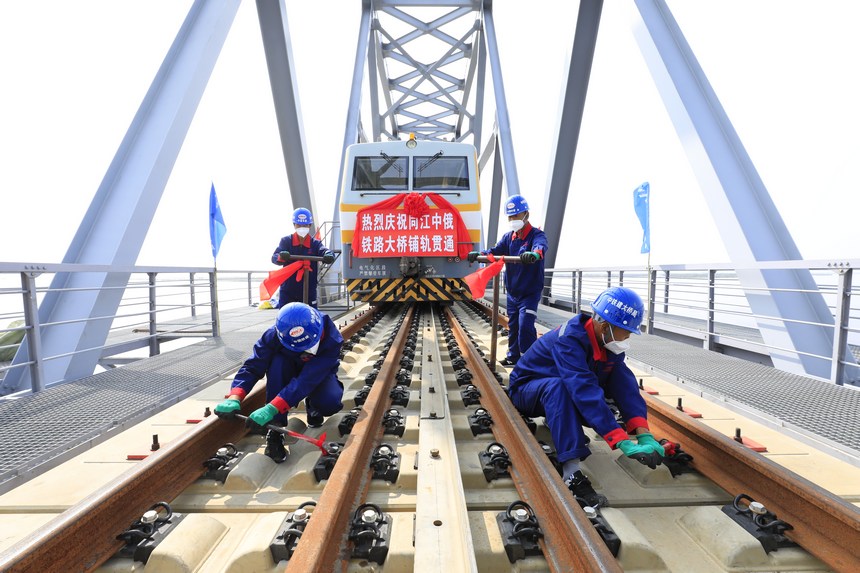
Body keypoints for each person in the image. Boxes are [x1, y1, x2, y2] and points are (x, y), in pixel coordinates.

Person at [506, 286, 664, 507]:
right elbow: (582, 389)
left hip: (554, 390)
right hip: (526, 390)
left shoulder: (608, 343)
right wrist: (619, 439)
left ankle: (563, 425)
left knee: (610, 390)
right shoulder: (569, 340)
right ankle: (571, 472)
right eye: (625, 330)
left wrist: (642, 432)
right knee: (561, 388)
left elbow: (625, 386)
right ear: (605, 326)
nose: (628, 336)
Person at [213, 302, 344, 463]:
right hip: (287, 368)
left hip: (316, 375)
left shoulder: (332, 339)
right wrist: (235, 396)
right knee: (277, 364)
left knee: (329, 402)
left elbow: (305, 381)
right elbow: (253, 366)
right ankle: (276, 429)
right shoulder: (273, 335)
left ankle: (314, 407)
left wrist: (270, 408)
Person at [467, 194, 548, 366]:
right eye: (510, 216)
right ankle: (513, 357)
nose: (512, 219)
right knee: (513, 326)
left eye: (516, 215)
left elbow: (540, 247)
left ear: (526, 215)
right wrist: (480, 254)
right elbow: (494, 251)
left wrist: (534, 254)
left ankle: (529, 361)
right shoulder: (508, 238)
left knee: (525, 325)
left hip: (529, 293)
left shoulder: (536, 235)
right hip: (513, 292)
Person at [271, 208, 335, 309]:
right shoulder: (286, 241)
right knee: (286, 318)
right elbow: (274, 258)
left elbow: (323, 250)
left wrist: (328, 254)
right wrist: (281, 256)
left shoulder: (315, 244)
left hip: (309, 290)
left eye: (305, 225)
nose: (302, 228)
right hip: (288, 290)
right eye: (299, 225)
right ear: (294, 225)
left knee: (310, 318)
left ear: (310, 226)